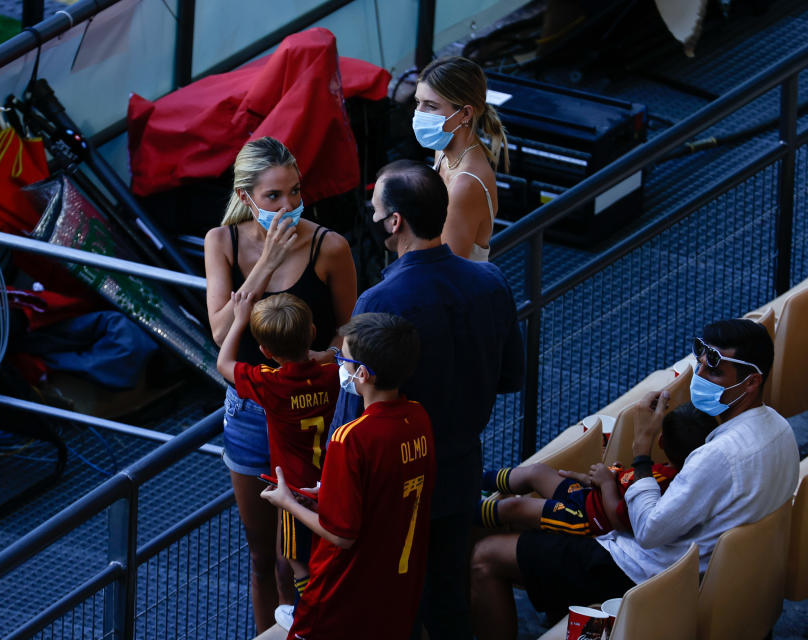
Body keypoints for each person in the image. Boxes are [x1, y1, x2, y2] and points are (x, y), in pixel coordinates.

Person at [470, 318, 800, 640]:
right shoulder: (780, 430)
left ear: (751, 382)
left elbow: (649, 531)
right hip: (697, 574)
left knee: (484, 556)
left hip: (635, 573)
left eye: (714, 370)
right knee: (550, 513)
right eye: (699, 364)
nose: (699, 376)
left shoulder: (719, 456)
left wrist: (642, 452)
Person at [331, 159, 524, 639]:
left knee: (395, 611)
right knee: (448, 602)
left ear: (394, 221)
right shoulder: (491, 281)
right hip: (460, 476)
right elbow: (510, 376)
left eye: (377, 211)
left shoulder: (377, 302)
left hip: (396, 489)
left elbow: (351, 418)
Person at [204, 136, 357, 631]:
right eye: (274, 196)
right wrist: (265, 264)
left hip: (314, 409)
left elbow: (350, 331)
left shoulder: (328, 246)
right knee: (261, 554)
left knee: (304, 551)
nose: (288, 205)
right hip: (250, 413)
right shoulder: (221, 242)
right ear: (246, 197)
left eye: (295, 191)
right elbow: (221, 333)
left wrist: (325, 354)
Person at [262, 312, 436, 639]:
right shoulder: (419, 417)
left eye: (345, 359)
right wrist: (327, 494)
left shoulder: (351, 437)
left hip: (342, 591)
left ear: (363, 375)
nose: (340, 365)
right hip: (396, 585)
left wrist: (288, 502)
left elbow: (341, 535)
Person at [216, 291, 340, 623]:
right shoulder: (333, 375)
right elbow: (343, 356)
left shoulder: (270, 383)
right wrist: (328, 353)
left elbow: (223, 364)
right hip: (329, 481)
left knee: (293, 561)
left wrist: (240, 319)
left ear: (265, 353)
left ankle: (308, 618)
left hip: (295, 491)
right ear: (312, 332)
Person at [477, 402, 717, 536]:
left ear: (661, 442)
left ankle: (469, 513)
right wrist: (597, 480)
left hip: (588, 521)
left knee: (515, 506)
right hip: (587, 497)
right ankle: (475, 480)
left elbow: (622, 520)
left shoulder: (667, 483)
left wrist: (606, 484)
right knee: (536, 471)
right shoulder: (665, 470)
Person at [413, 56, 509, 260]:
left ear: (465, 113)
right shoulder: (443, 148)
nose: (418, 113)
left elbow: (445, 271)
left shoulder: (465, 186)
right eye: (418, 102)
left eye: (430, 106)